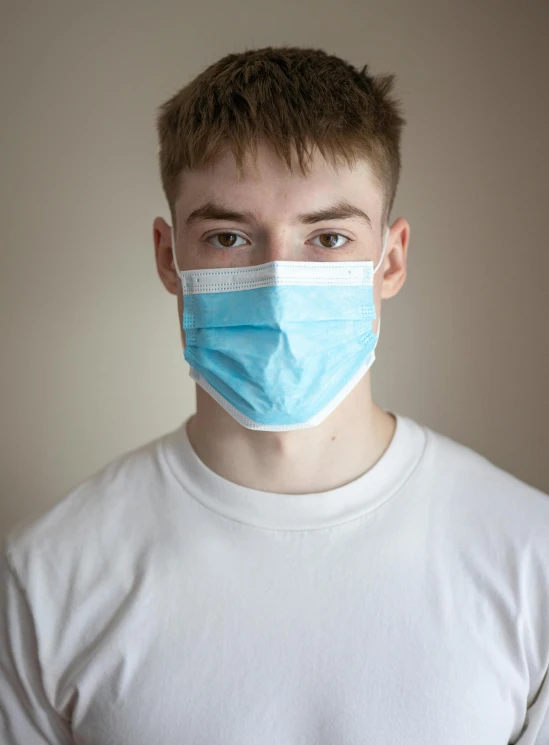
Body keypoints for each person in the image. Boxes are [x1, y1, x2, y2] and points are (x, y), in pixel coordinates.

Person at [1, 46, 548, 745]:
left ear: (391, 257)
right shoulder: (46, 578)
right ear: (170, 256)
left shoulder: (530, 559)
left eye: (326, 236)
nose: (280, 284)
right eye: (229, 236)